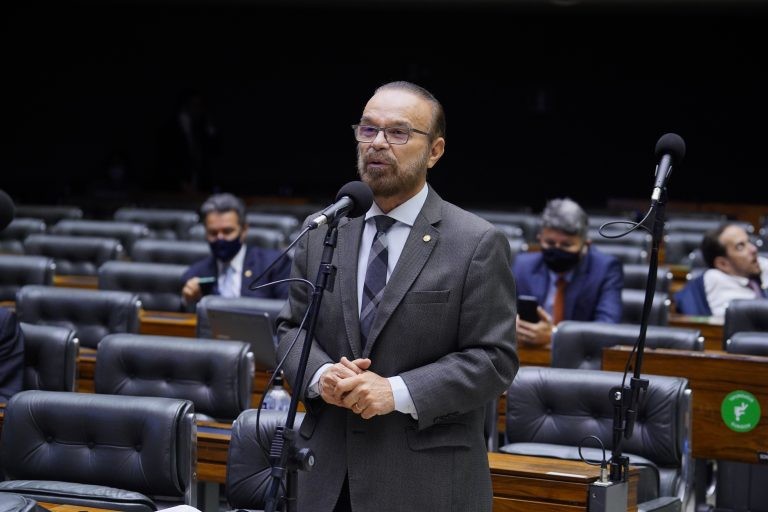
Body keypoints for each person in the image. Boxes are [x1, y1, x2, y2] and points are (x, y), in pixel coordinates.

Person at [275, 81, 518, 512]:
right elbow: (291, 328)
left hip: (424, 482)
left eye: (398, 133)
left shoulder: (475, 242)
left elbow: (494, 359)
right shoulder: (324, 230)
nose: (378, 144)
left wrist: (397, 390)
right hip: (324, 476)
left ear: (435, 151)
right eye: (368, 130)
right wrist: (321, 375)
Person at [512, 198, 623, 346]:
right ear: (539, 239)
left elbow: (607, 327)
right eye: (550, 243)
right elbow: (499, 316)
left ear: (586, 245)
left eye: (566, 245)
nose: (557, 249)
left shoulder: (606, 269)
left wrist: (554, 335)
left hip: (580, 359)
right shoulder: (522, 265)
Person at [181, 192, 291, 304]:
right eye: (213, 233)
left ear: (243, 230)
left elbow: (286, 312)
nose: (220, 238)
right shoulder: (194, 274)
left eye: (227, 231)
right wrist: (189, 301)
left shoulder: (274, 265)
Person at [695, 223, 768, 318]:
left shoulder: (759, 264)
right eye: (740, 246)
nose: (754, 249)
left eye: (749, 242)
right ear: (723, 264)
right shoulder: (715, 281)